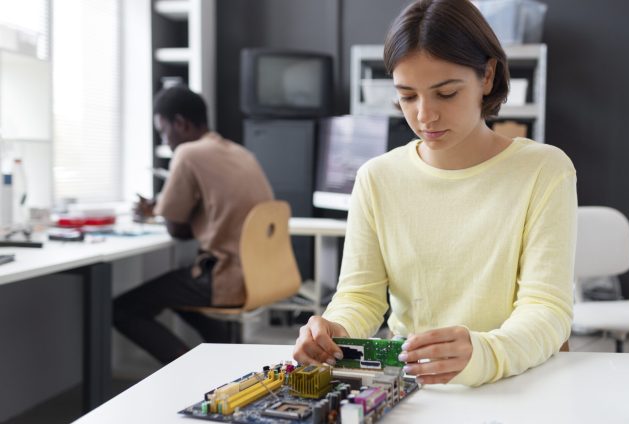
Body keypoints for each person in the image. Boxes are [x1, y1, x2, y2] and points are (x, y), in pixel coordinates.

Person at [293, 0, 577, 387]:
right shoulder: (377, 178)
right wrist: (334, 331)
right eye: (408, 96)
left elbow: (547, 309)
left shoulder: (543, 170)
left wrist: (486, 353)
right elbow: (361, 296)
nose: (425, 115)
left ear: (488, 76)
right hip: (412, 387)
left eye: (445, 94)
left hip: (516, 384)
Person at [114, 85, 274, 364]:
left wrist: (161, 211)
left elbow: (176, 229)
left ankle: (187, 368)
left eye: (164, 132)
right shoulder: (239, 152)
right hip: (261, 272)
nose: (166, 141)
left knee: (121, 309)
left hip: (228, 277)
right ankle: (222, 355)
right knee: (176, 293)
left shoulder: (188, 153)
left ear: (181, 124)